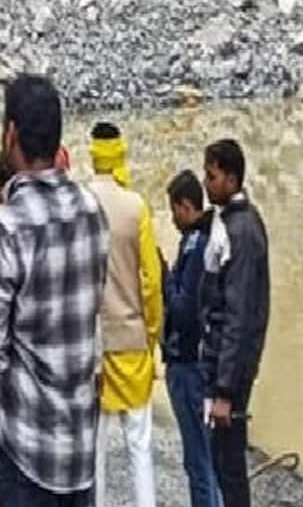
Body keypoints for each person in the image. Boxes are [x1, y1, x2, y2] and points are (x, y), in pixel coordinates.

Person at [0, 74, 108, 507]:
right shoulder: (91, 212)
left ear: (11, 135)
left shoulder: (7, 226)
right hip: (79, 452)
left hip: (27, 452)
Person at [87, 123, 160, 507]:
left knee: (94, 447)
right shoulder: (136, 208)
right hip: (132, 340)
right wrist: (151, 333)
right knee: (140, 444)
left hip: (92, 344)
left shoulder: (81, 203)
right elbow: (150, 279)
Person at [199, 141, 269, 507]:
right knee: (225, 462)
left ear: (231, 177)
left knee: (229, 467)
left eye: (212, 176)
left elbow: (237, 314)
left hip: (230, 374)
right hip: (225, 365)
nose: (206, 184)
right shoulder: (233, 221)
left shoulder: (239, 231)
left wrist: (224, 390)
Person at [162, 173, 219, 507]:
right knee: (207, 458)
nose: (172, 218)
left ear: (186, 206)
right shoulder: (210, 237)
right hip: (202, 361)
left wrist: (165, 277)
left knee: (199, 461)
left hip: (188, 364)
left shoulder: (197, 243)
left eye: (174, 210)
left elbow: (184, 308)